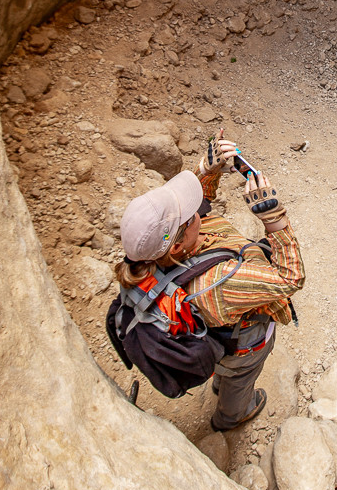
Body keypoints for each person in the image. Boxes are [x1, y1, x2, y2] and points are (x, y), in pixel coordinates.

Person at [107, 133, 304, 431]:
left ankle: (220, 379)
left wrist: (206, 171)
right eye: (189, 213)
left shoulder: (143, 258)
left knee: (226, 370)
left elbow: (200, 204)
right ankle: (231, 416)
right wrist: (274, 220)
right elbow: (290, 277)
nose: (196, 209)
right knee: (239, 378)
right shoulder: (220, 282)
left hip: (218, 337)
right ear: (177, 243)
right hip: (244, 346)